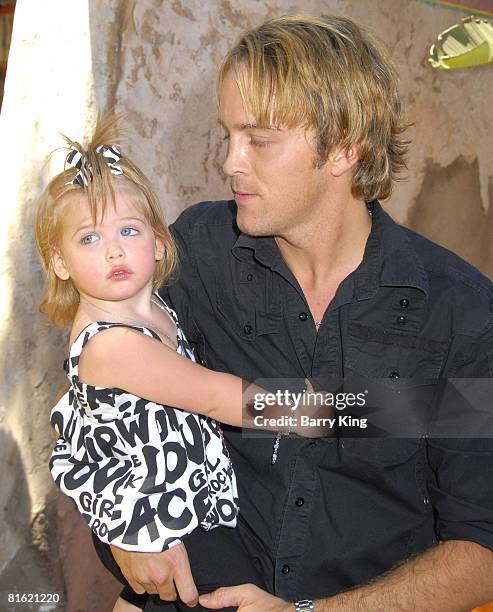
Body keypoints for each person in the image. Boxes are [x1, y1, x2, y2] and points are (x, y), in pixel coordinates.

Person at [104, 14, 493, 612]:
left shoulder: (458, 312)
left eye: (259, 140)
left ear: (344, 146)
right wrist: (122, 524)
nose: (230, 162)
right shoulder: (198, 253)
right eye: (228, 134)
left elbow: (481, 550)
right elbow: (96, 389)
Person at [36, 115, 316, 611]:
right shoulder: (112, 345)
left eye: (128, 230)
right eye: (89, 239)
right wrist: (358, 410)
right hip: (165, 519)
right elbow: (220, 397)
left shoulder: (158, 309)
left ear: (159, 243)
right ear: (59, 261)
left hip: (187, 509)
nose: (114, 249)